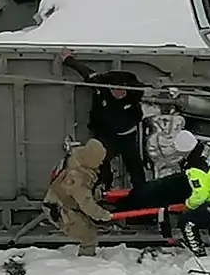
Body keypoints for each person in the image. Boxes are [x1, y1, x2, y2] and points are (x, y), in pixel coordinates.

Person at [61, 50, 147, 190]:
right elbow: (86, 72)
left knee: (135, 167)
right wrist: (68, 59)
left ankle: (142, 193)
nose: (118, 93)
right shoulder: (101, 86)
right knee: (100, 162)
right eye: (115, 90)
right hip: (107, 136)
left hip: (127, 137)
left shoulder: (135, 93)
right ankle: (105, 188)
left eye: (122, 91)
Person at [42, 139, 114, 257]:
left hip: (64, 201)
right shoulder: (78, 177)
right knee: (89, 236)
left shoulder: (77, 156)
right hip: (60, 210)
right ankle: (85, 265)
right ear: (91, 158)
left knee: (89, 225)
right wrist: (104, 215)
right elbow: (87, 205)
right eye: (99, 160)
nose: (101, 163)